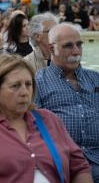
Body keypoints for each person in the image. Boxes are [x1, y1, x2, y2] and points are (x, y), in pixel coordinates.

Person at [0, 54, 93, 183]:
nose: (24, 92)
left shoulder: (48, 119)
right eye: (15, 86)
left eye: (28, 84)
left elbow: (79, 166)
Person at [35, 23, 99, 182]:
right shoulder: (38, 82)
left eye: (79, 45)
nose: (76, 51)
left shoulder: (95, 79)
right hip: (63, 162)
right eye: (68, 46)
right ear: (51, 49)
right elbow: (33, 128)